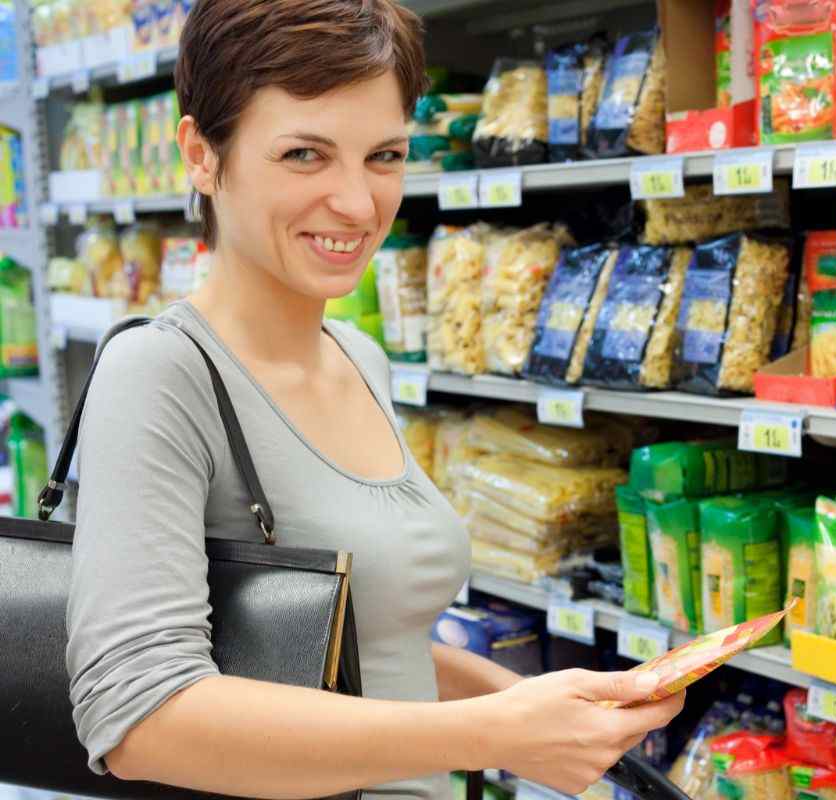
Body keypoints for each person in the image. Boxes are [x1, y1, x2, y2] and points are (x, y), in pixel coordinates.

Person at [64, 2, 684, 798]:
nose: (358, 205)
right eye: (303, 155)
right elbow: (139, 719)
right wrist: (493, 732)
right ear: (200, 154)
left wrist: (543, 706)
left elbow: (355, 652)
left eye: (384, 155)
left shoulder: (356, 356)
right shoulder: (160, 374)